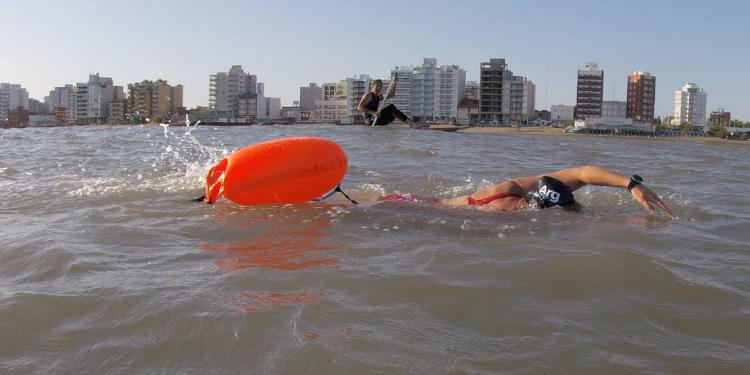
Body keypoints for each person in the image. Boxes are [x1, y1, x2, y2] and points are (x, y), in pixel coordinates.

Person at [381, 165, 676, 219]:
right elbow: (582, 175)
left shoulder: (518, 187)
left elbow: (582, 174)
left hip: (424, 201)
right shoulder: (501, 212)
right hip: (420, 206)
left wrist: (632, 185)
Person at [357, 74, 424, 128]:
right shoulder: (368, 95)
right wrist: (373, 113)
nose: (379, 88)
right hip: (370, 121)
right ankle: (411, 124)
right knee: (391, 107)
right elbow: (359, 108)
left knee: (393, 112)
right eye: (377, 86)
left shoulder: (378, 96)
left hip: (378, 119)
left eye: (380, 86)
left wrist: (394, 83)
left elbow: (391, 94)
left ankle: (410, 124)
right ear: (372, 86)